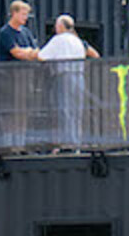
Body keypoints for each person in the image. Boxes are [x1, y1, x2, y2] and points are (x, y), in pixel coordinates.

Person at [40, 14, 96, 148]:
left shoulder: (58, 40)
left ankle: (67, 142)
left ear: (60, 26)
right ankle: (76, 141)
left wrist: (30, 53)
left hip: (63, 76)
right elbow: (95, 54)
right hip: (79, 75)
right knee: (76, 109)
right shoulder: (78, 41)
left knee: (64, 109)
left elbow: (42, 56)